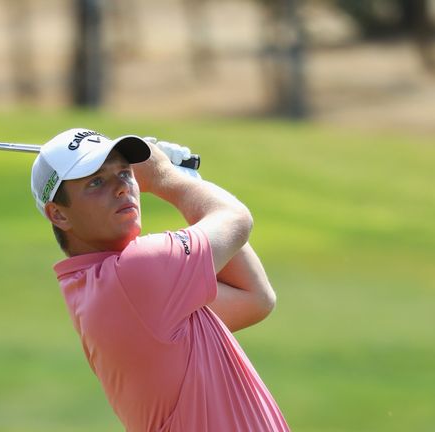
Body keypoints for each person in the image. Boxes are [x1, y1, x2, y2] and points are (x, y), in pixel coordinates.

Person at [30, 128, 289, 431]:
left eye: (125, 173)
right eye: (96, 182)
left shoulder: (104, 288)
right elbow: (235, 219)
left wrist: (189, 181)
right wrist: (167, 177)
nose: (122, 188)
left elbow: (254, 298)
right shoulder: (135, 274)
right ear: (59, 215)